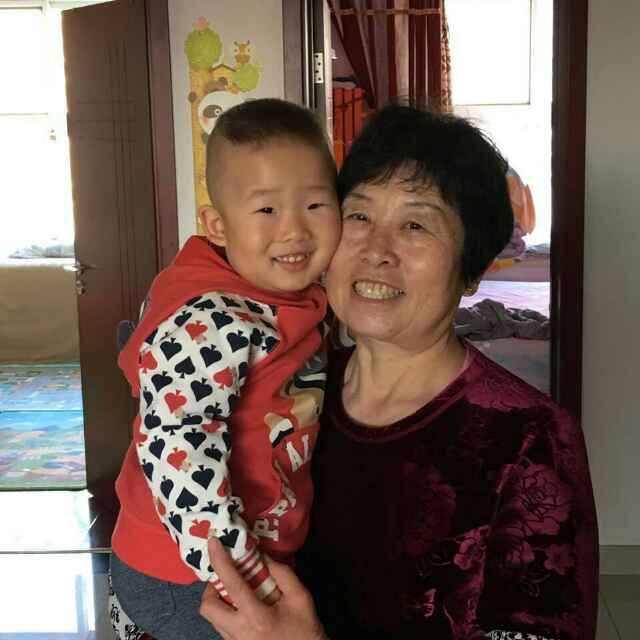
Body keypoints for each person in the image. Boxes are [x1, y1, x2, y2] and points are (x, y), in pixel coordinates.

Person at [200, 104, 599, 640]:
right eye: (359, 216)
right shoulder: (282, 386)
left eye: (415, 225)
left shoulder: (532, 439)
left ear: (471, 270)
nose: (376, 252)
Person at [108, 98, 341, 640]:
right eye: (266, 210)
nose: (294, 230)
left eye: (315, 204)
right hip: (189, 570)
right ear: (217, 224)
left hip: (241, 550)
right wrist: (245, 577)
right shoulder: (211, 319)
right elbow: (176, 445)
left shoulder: (291, 295)